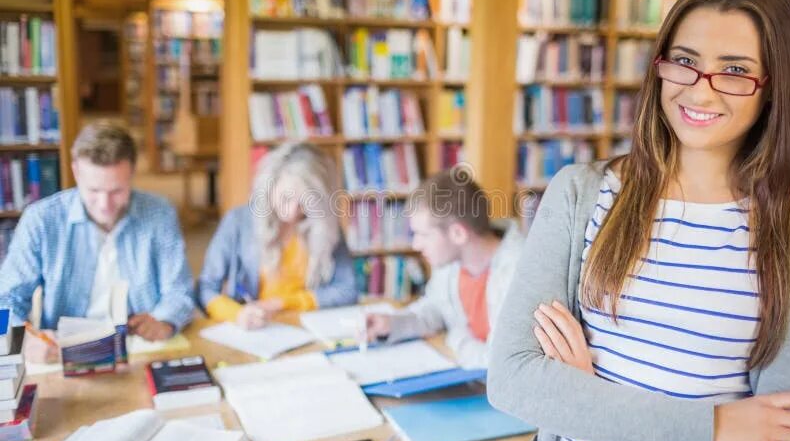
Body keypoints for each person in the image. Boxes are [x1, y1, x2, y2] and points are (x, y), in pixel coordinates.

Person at [488, 0, 790, 441]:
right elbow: (512, 378)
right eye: (685, 60)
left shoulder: (789, 235)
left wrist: (585, 400)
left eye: (736, 70)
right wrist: (716, 427)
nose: (700, 90)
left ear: (775, 85)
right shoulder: (579, 194)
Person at [0, 123, 195, 363]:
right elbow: (5, 299)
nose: (104, 204)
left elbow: (179, 290)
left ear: (132, 173)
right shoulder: (41, 219)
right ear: (76, 172)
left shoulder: (160, 213)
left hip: (140, 348)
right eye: (93, 190)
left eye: (116, 191)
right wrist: (25, 339)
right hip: (62, 352)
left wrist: (165, 321)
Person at [365, 167, 524, 368]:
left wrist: (456, 338)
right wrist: (393, 324)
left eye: (423, 235)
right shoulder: (451, 262)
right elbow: (436, 308)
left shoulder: (519, 272)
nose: (416, 245)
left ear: (458, 234)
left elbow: (500, 362)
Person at [197, 143, 357, 328]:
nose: (292, 211)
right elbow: (205, 289)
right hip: (255, 328)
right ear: (269, 187)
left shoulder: (324, 225)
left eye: (304, 203)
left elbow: (348, 290)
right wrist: (237, 314)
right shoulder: (238, 222)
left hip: (308, 326)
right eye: (286, 198)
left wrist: (281, 303)